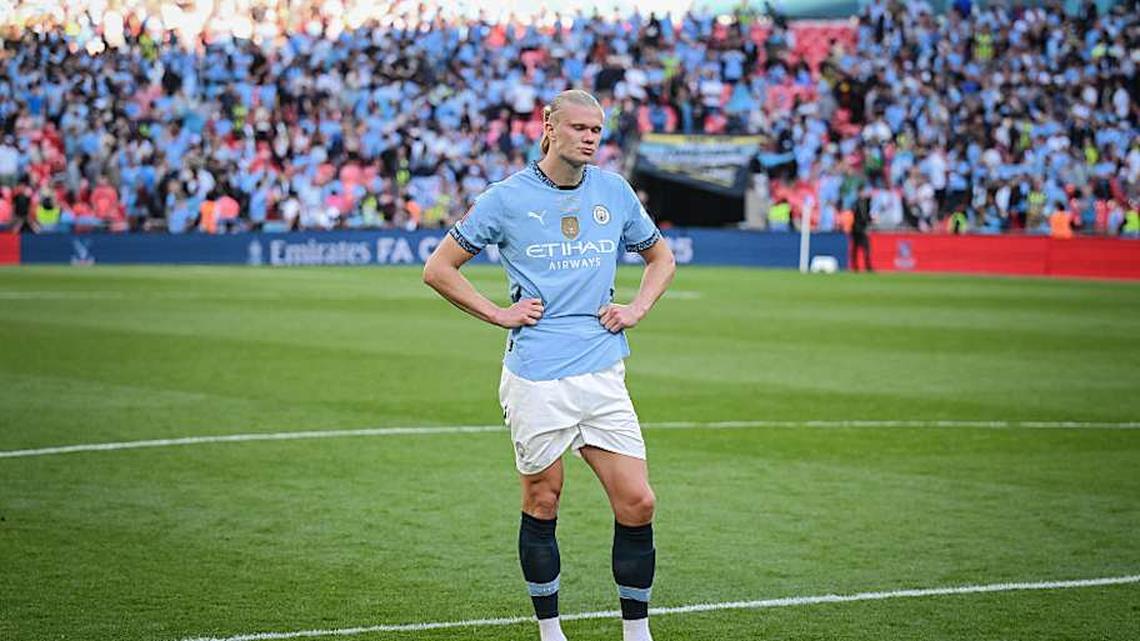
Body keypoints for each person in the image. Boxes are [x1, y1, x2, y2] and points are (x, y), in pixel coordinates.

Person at [423, 89, 676, 641]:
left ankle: (637, 633)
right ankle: (551, 631)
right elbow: (439, 268)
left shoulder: (614, 191)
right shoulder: (506, 198)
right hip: (537, 374)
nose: (590, 137)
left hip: (603, 368)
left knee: (638, 500)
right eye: (580, 127)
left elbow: (661, 256)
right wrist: (498, 313)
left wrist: (636, 307)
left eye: (597, 130)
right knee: (543, 497)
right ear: (549, 127)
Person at [851, 185, 874, 272]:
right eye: (862, 192)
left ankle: (867, 266)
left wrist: (870, 220)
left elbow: (866, 215)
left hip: (861, 228)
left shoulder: (865, 203)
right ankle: (856, 267)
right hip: (857, 229)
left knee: (865, 248)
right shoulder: (857, 203)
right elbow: (861, 216)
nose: (863, 194)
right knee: (857, 249)